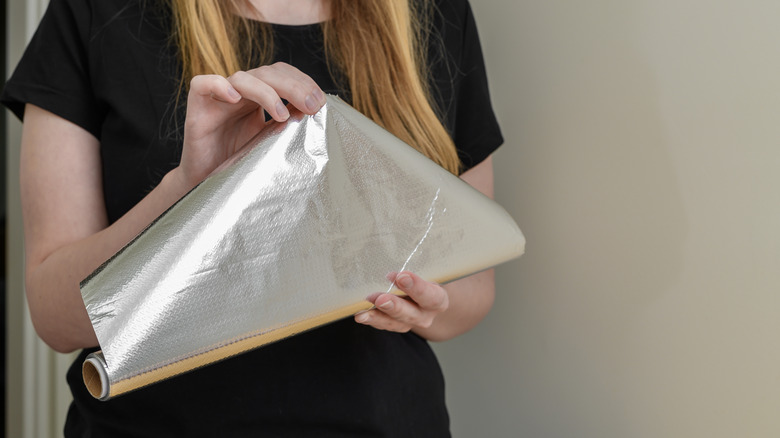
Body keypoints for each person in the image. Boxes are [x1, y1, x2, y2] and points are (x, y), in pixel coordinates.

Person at [2, 0, 504, 436]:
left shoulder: (435, 15)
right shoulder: (95, 12)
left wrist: (428, 302)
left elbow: (476, 287)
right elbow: (55, 315)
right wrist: (188, 191)